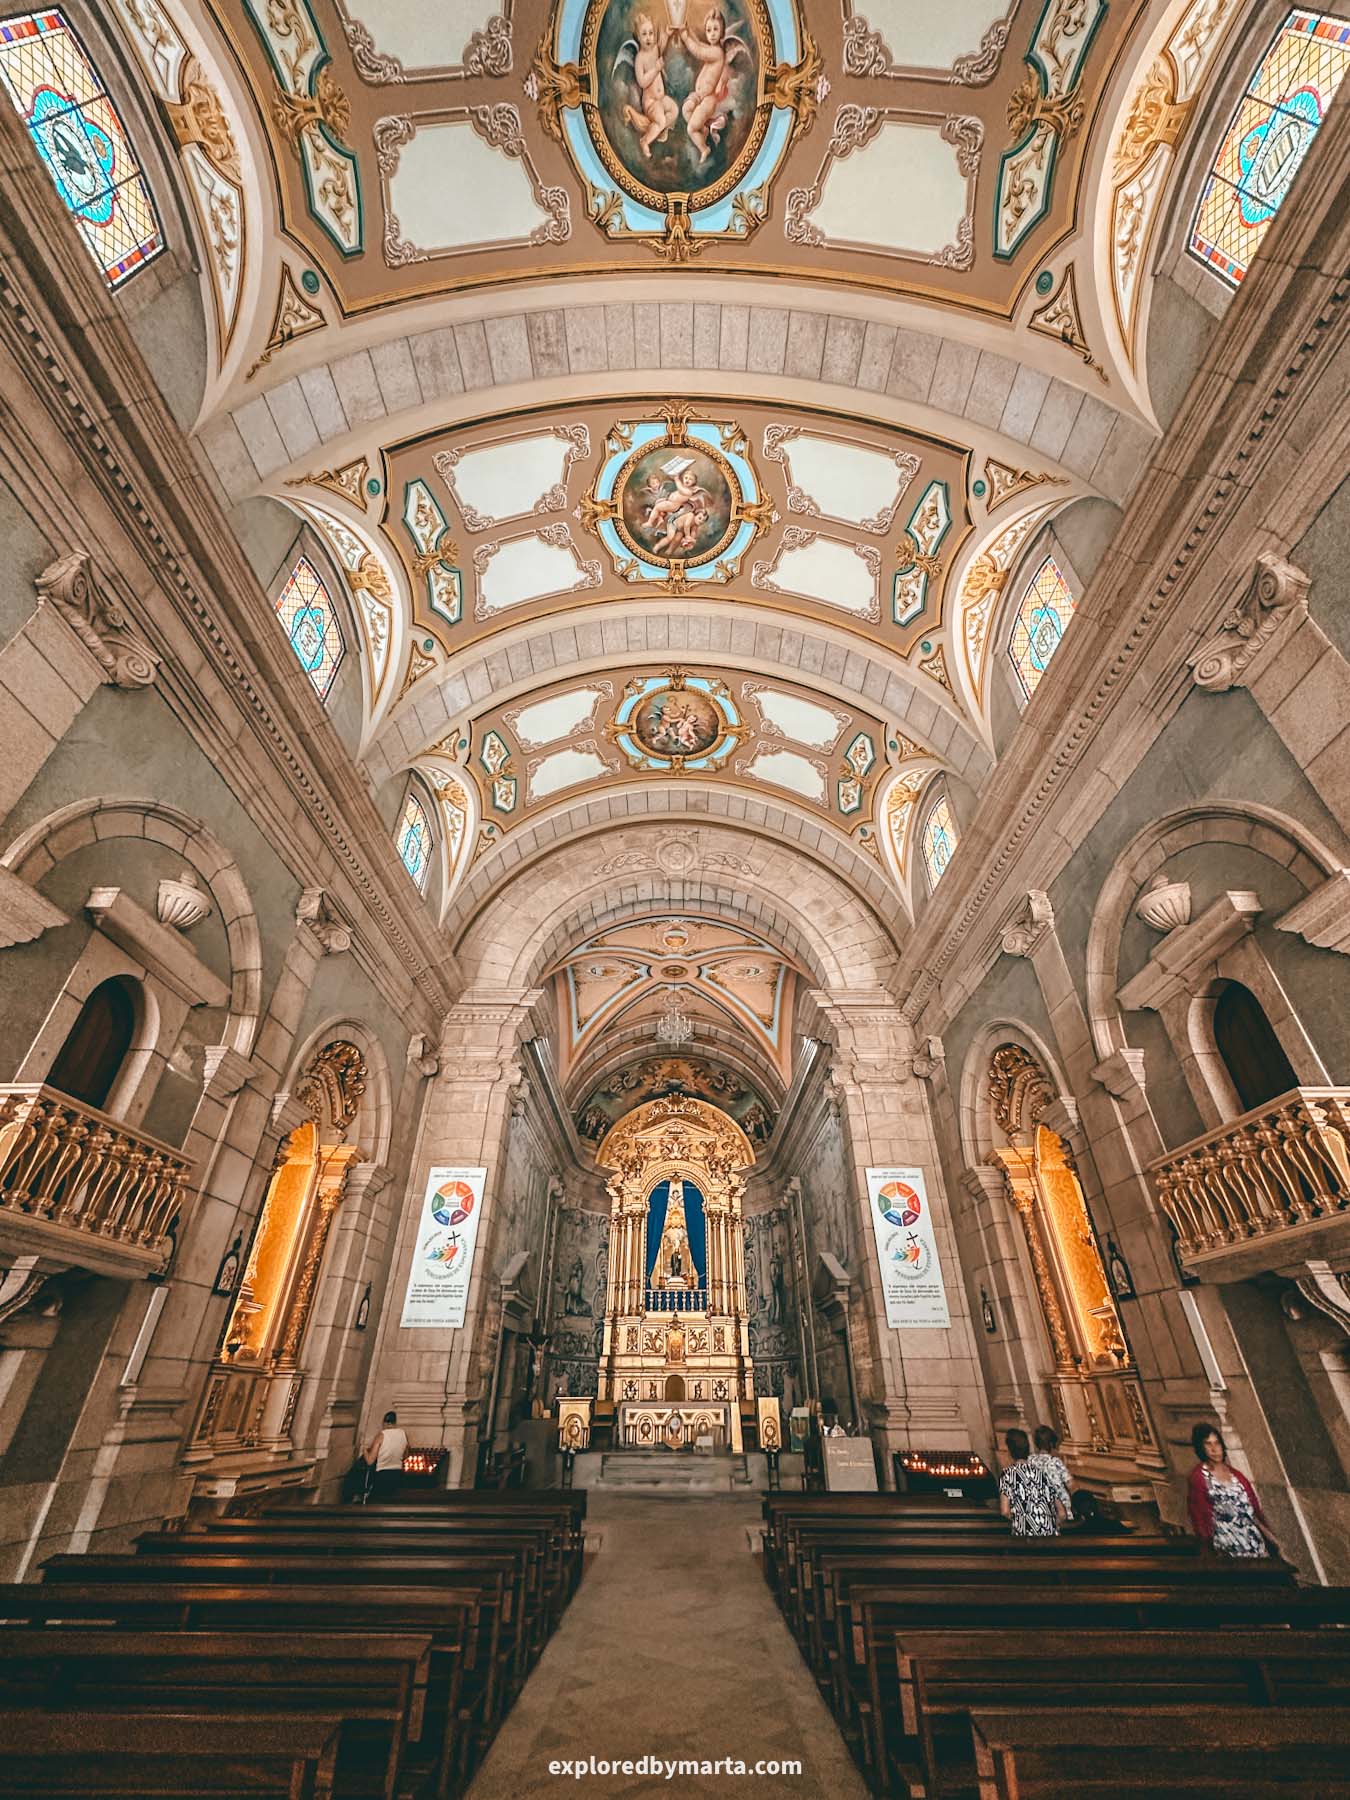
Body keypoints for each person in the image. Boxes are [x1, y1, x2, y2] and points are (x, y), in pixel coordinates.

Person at [1187, 1422, 1278, 1558]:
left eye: (1217, 1443)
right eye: (1208, 1444)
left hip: (1252, 1541)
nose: (1214, 1449)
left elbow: (1253, 1511)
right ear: (1201, 1448)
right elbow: (1199, 1517)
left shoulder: (1236, 1476)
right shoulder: (1199, 1478)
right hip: (1225, 1546)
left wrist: (1271, 1537)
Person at [998, 1427, 1067, 1537]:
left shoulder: (1008, 1474)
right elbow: (1062, 1513)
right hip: (1050, 1539)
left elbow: (1005, 1511)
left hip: (1024, 1540)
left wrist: (1023, 1523)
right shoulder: (1041, 1473)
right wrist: (1050, 1526)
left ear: (1009, 1451)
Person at [364, 1410, 408, 1501]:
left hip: (382, 1476)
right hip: (398, 1475)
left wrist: (364, 1449)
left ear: (384, 1423)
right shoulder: (403, 1434)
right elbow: (406, 1455)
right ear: (395, 1422)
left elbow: (370, 1461)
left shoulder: (381, 1436)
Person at [1029, 1423, 1073, 1515]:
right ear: (1051, 1444)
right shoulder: (1056, 1462)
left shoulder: (1030, 1460)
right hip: (1062, 1510)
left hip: (1040, 1510)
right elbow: (1071, 1485)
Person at [1062, 1488, 1132, 1536]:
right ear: (1095, 1505)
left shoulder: (1070, 1531)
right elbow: (1129, 1535)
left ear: (1074, 1509)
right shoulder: (1112, 1525)